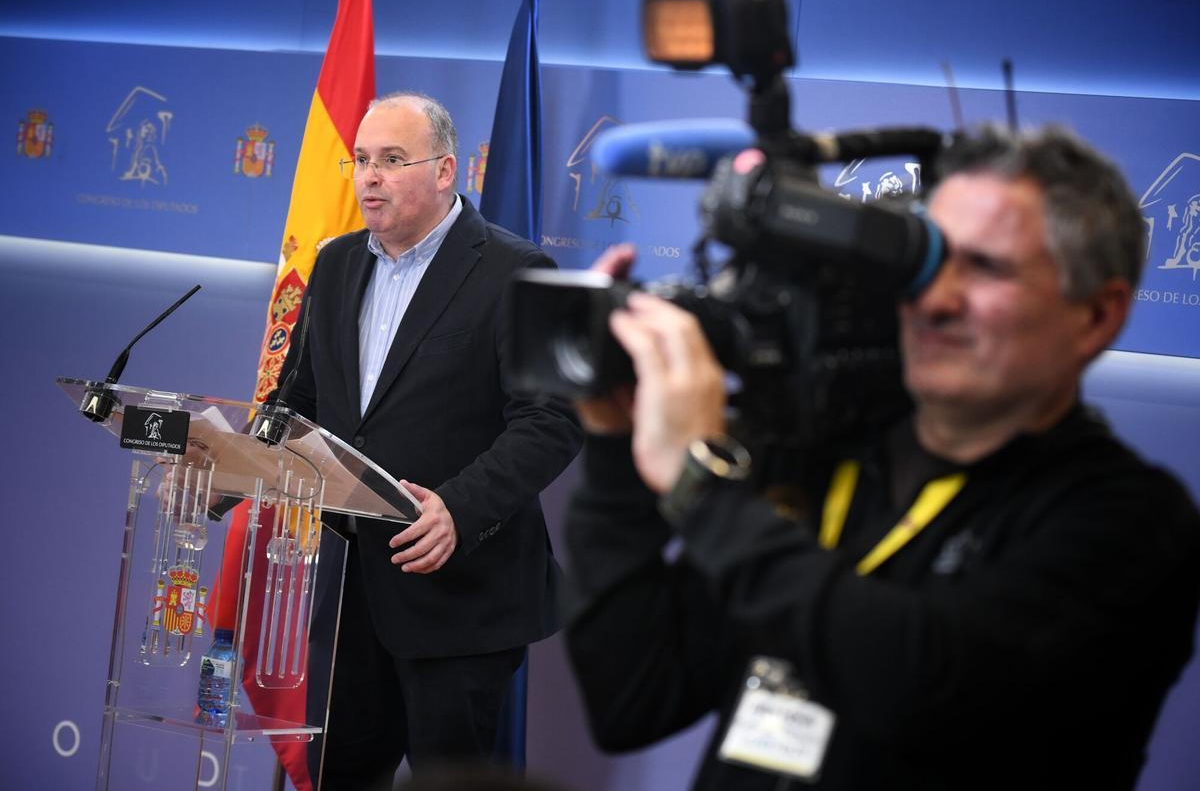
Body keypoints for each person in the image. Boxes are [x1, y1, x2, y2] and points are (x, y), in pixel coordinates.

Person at [562, 124, 1200, 789]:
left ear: (1097, 316)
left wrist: (704, 488)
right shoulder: (820, 457)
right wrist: (615, 450)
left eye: (987, 268)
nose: (936, 299)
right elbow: (633, 700)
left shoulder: (1130, 519)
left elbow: (924, 688)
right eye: (927, 260)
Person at [269, 91, 582, 787]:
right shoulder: (337, 263)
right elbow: (300, 400)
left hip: (460, 598)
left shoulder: (516, 271)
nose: (369, 177)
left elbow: (553, 419)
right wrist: (222, 464)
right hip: (350, 594)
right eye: (361, 160)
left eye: (391, 160)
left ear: (445, 172)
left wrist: (457, 509)